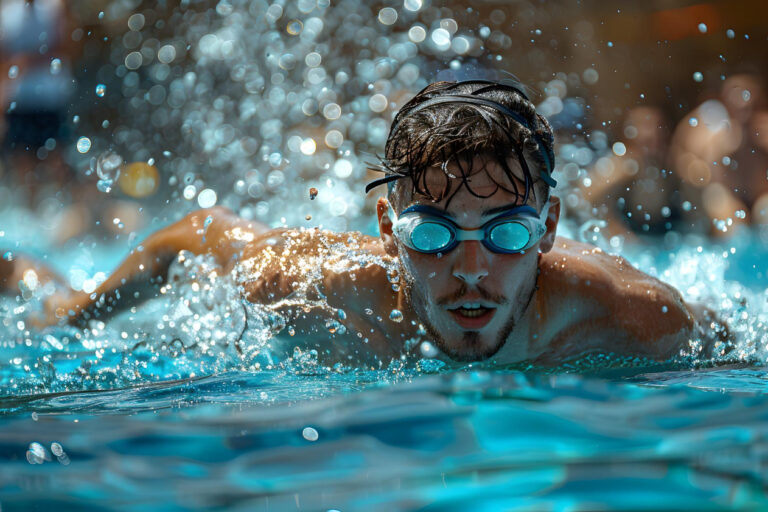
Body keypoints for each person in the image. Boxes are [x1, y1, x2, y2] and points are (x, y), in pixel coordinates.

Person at [0, 80, 724, 365]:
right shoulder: (317, 284)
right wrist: (81, 316)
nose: (470, 269)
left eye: (505, 234)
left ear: (551, 227)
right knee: (55, 308)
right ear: (387, 228)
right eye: (433, 235)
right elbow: (192, 233)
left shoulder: (634, 317)